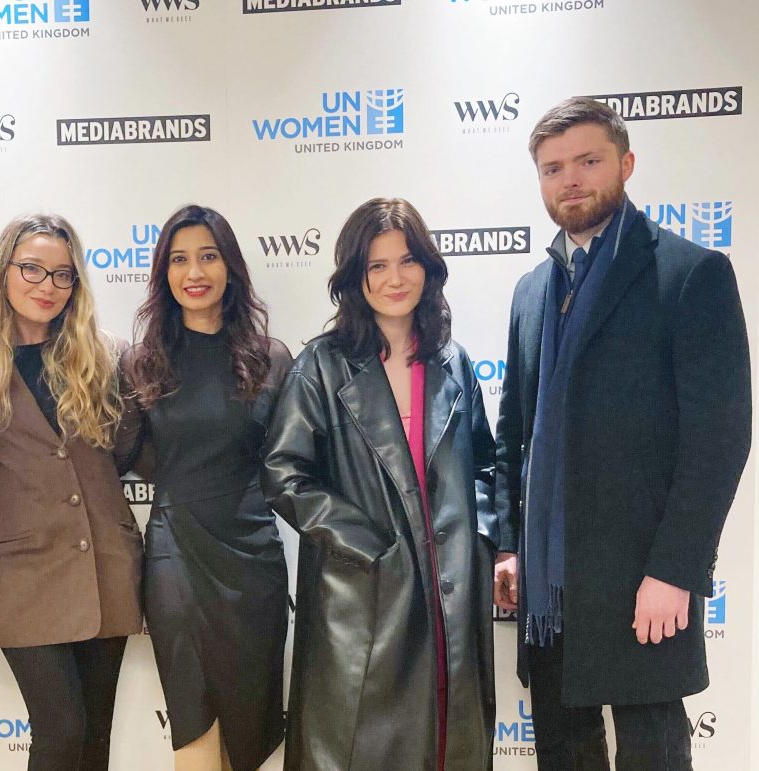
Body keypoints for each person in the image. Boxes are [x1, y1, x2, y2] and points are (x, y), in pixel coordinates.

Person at [493, 96, 751, 770]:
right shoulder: (531, 291)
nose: (570, 180)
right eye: (553, 168)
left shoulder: (689, 273)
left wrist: (675, 569)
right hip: (550, 587)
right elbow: (514, 432)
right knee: (564, 753)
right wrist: (509, 546)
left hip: (644, 578)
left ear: (626, 163)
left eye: (588, 161)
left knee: (651, 751)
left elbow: (719, 440)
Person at [262, 197, 497, 771]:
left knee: (447, 744)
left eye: (407, 260)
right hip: (364, 596)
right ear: (355, 276)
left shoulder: (454, 362)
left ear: (427, 268)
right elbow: (284, 472)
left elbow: (484, 467)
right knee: (363, 748)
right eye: (378, 265)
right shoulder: (321, 365)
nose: (395, 278)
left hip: (449, 593)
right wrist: (368, 545)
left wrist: (478, 544)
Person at [0, 213, 143, 771]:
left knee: (94, 738)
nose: (48, 286)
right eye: (33, 269)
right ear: (4, 271)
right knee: (60, 730)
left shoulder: (107, 357)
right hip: (19, 576)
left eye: (63, 275)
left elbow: (125, 454)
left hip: (104, 567)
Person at [123, 204, 290, 771]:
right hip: (175, 553)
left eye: (208, 256)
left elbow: (287, 462)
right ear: (164, 273)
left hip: (253, 561)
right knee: (192, 721)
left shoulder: (271, 359)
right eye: (179, 259)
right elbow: (133, 455)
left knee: (251, 731)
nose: (194, 272)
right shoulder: (142, 363)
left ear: (230, 267)